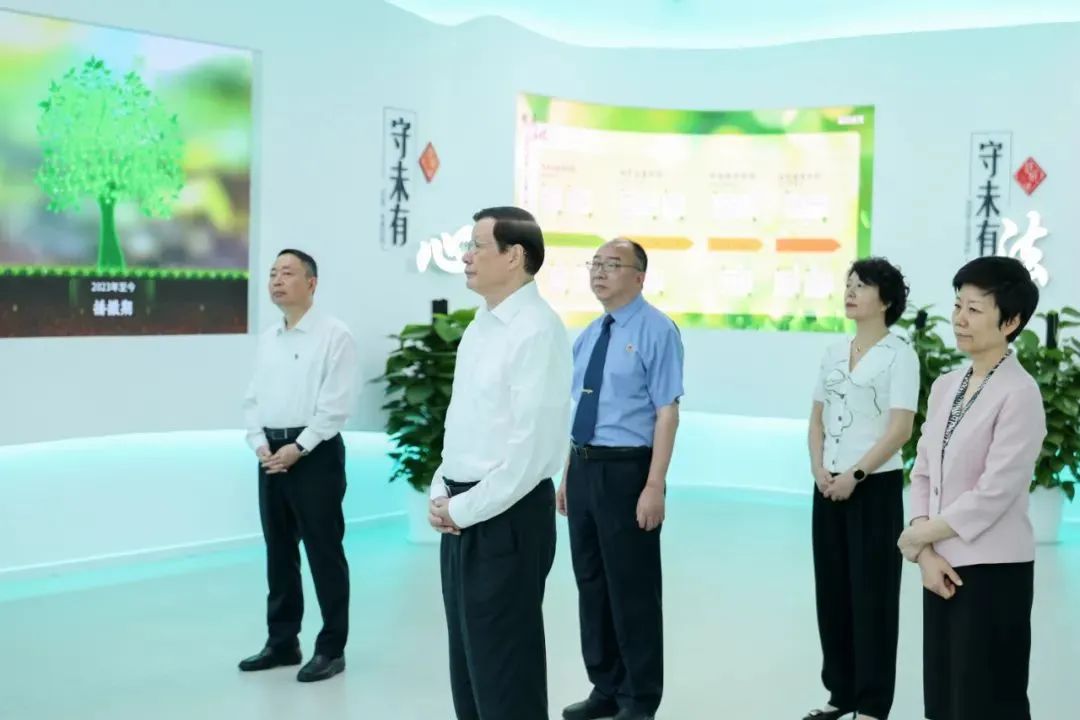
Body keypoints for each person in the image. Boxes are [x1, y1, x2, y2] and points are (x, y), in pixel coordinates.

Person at [428, 207, 572, 720]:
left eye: (477, 245)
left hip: (506, 517)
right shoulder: (481, 325)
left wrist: (462, 508)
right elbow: (462, 423)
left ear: (514, 256)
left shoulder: (537, 330)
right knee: (469, 667)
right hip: (464, 513)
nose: (466, 256)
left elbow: (531, 453)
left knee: (505, 671)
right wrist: (441, 491)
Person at [897, 256, 1044, 720]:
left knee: (987, 699)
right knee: (945, 696)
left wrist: (919, 535)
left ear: (1011, 322)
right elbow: (923, 471)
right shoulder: (947, 385)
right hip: (940, 564)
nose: (960, 318)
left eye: (975, 309)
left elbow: (996, 491)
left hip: (993, 570)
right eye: (958, 305)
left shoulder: (1020, 393)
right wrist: (925, 552)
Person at [558, 238, 683, 720]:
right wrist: (567, 475)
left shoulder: (657, 330)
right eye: (595, 263)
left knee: (632, 587)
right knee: (591, 583)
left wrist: (654, 484)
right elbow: (579, 411)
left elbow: (667, 412)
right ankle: (605, 687)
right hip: (584, 467)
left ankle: (639, 698)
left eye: (612, 264)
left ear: (639, 276)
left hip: (629, 470)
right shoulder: (589, 333)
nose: (599, 272)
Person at [804, 258, 919, 720]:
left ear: (886, 300)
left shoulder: (900, 354)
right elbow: (816, 418)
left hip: (873, 487)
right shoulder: (833, 351)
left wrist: (855, 475)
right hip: (827, 484)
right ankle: (841, 694)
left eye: (862, 286)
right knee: (831, 592)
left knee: (873, 596)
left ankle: (871, 704)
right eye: (848, 284)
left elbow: (900, 429)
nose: (850, 292)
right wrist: (818, 468)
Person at [238, 249, 357, 682]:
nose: (276, 280)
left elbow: (336, 405)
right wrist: (259, 444)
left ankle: (331, 649)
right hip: (271, 455)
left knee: (324, 552)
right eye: (272, 273)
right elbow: (253, 399)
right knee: (279, 552)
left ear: (311, 283)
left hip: (314, 454)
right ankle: (283, 642)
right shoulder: (269, 337)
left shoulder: (334, 335)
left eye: (287, 273)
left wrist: (300, 447)